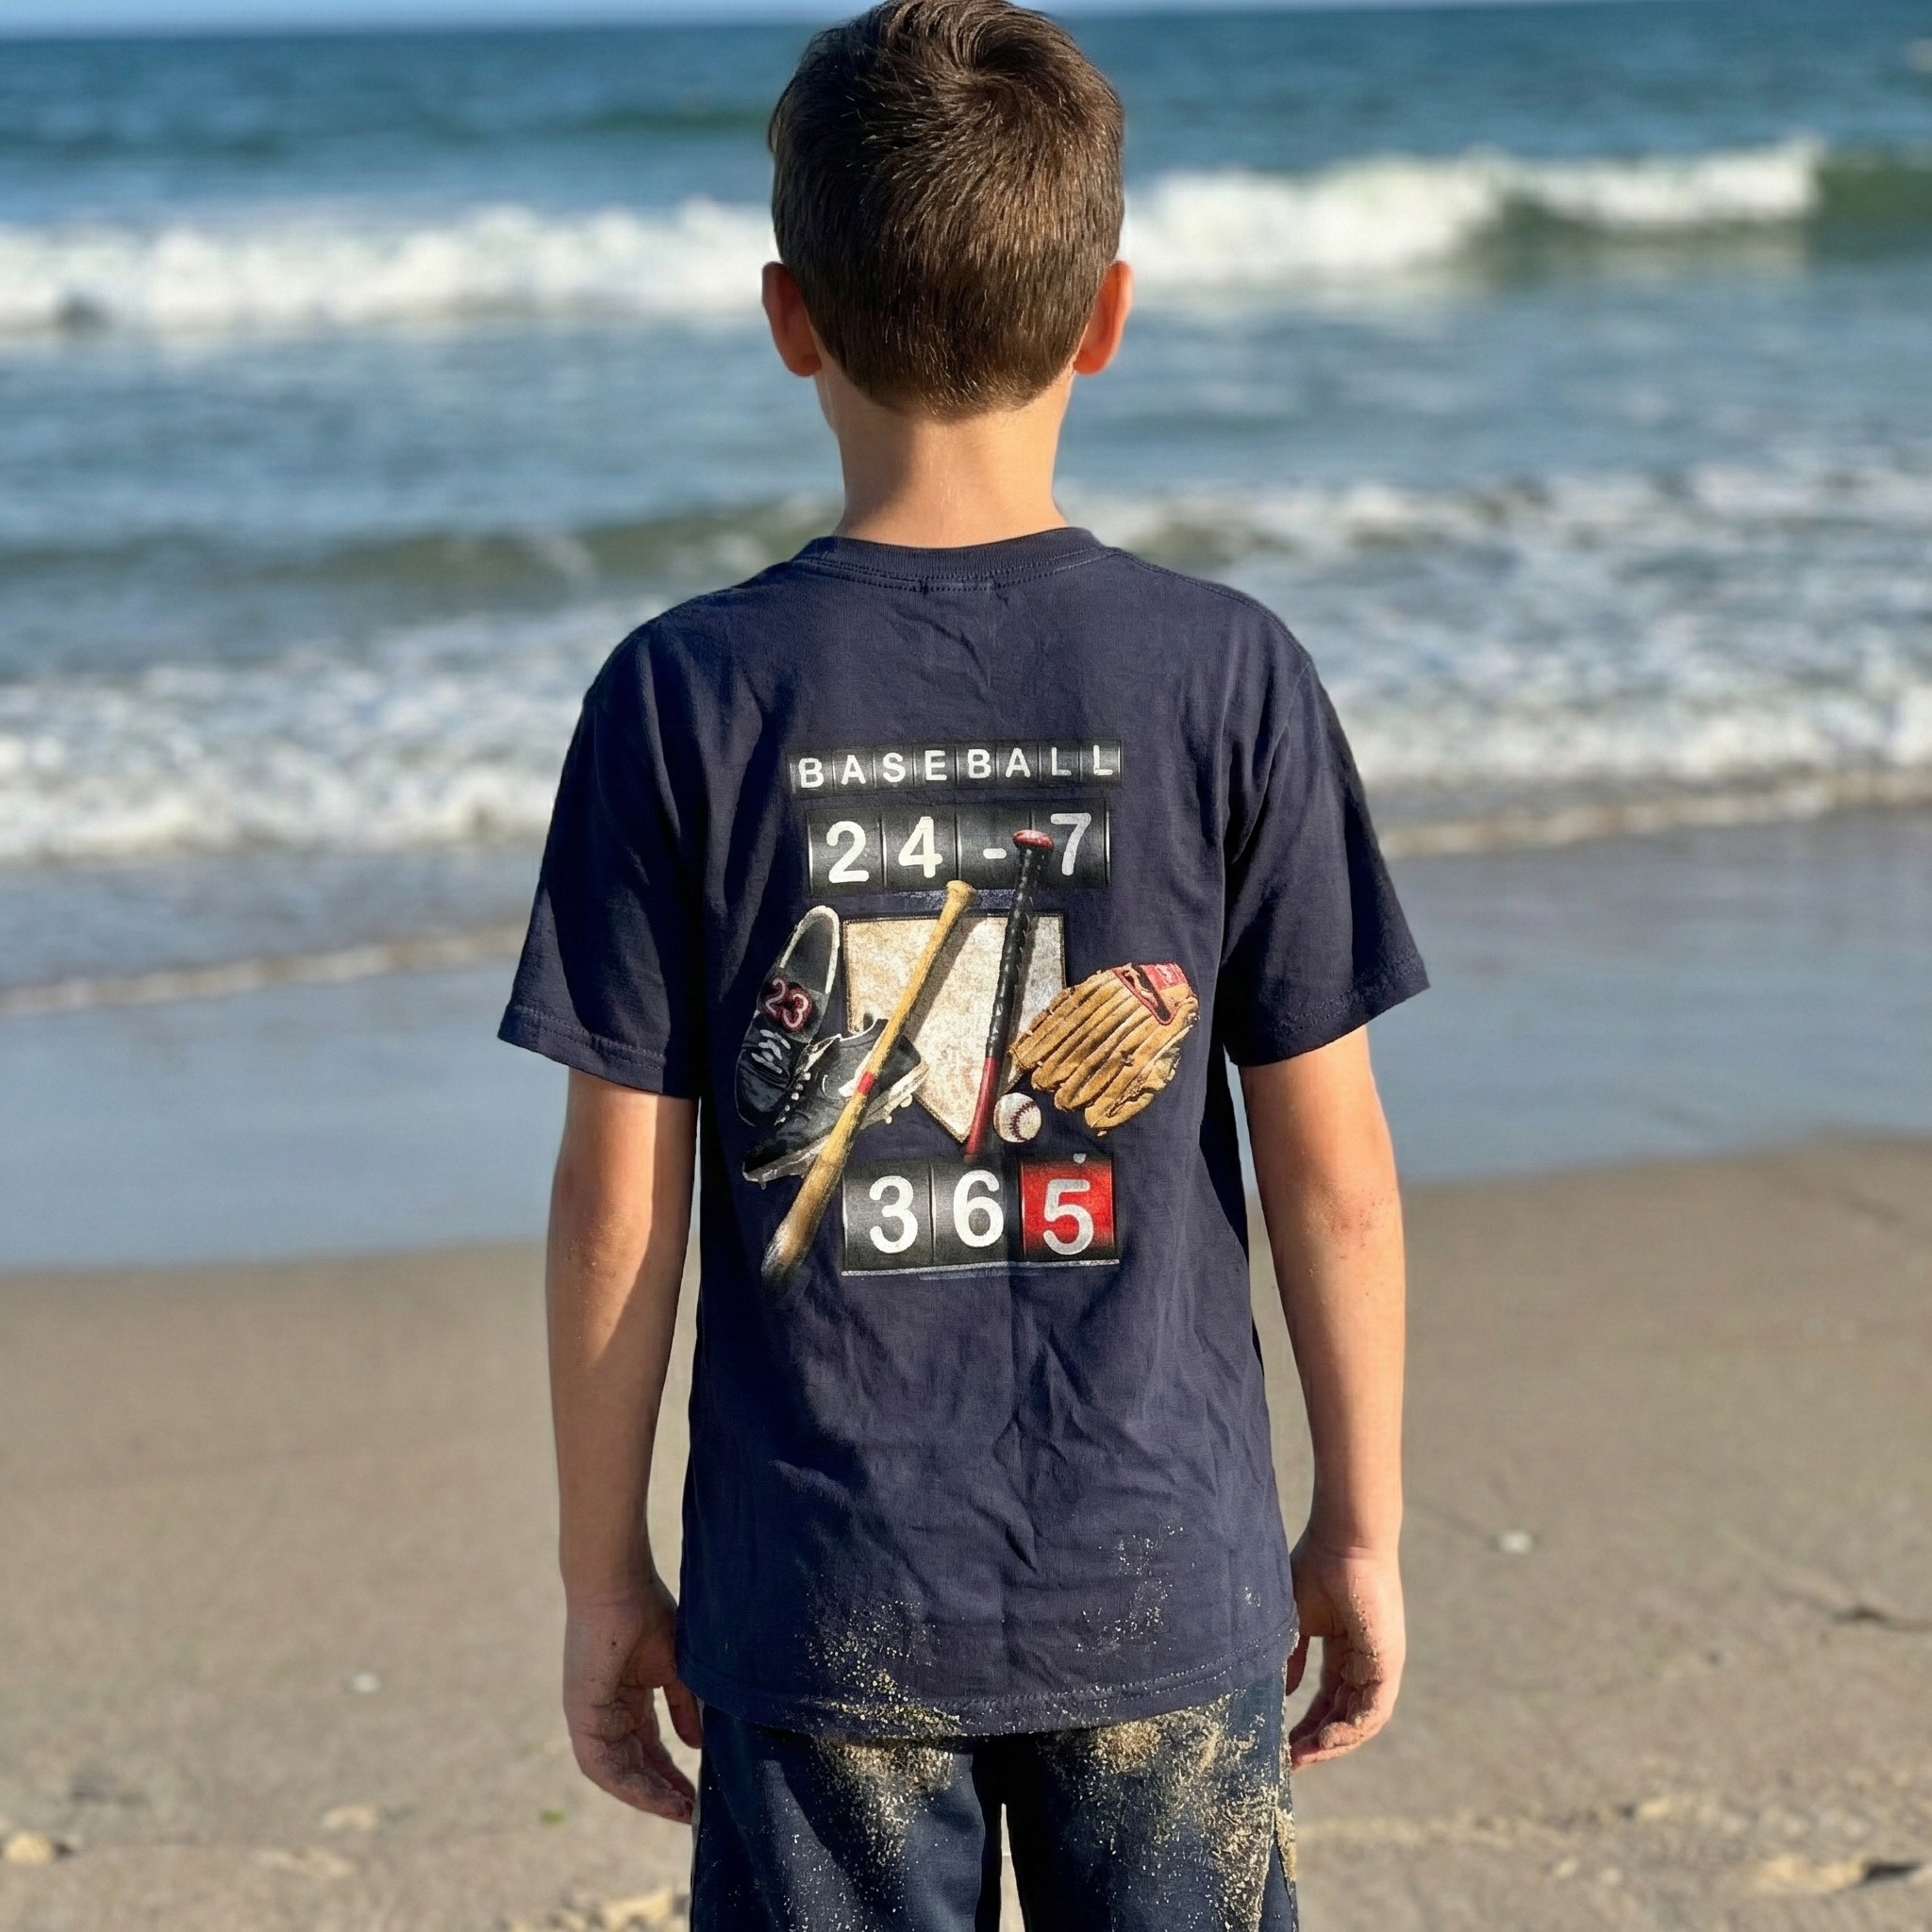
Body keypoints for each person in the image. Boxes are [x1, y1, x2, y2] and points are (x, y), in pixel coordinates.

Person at [499, 3, 1424, 1924]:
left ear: (787, 315)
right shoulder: (1222, 673)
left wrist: (607, 1577)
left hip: (820, 1596)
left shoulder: (683, 695)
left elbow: (617, 1203)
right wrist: (1356, 1524)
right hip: (1159, 1582)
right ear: (1107, 312)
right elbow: (1332, 1165)